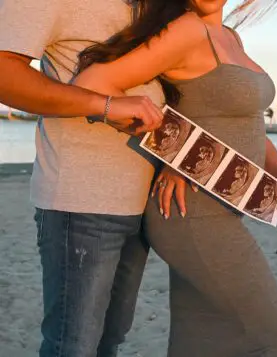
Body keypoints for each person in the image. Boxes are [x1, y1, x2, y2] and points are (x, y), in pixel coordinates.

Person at [74, 0, 277, 355]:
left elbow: (248, 126)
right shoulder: (186, 29)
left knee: (199, 338)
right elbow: (94, 84)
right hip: (192, 212)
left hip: (227, 206)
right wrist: (176, 150)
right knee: (274, 334)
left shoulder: (229, 35)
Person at [0, 1, 165, 356]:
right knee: (73, 346)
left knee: (111, 339)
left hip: (142, 203)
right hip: (80, 204)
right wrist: (103, 105)